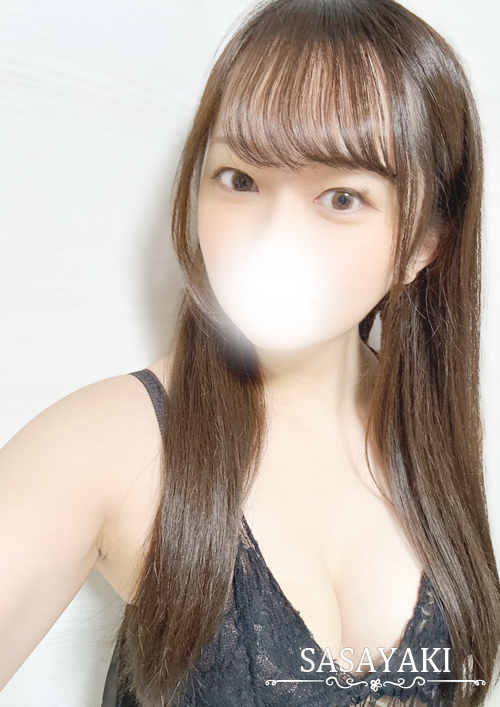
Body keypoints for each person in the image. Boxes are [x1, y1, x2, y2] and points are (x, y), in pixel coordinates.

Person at [1, 0, 499, 706]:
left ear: (423, 243)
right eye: (240, 179)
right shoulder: (109, 445)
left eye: (341, 197)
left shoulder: (439, 433)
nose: (273, 238)